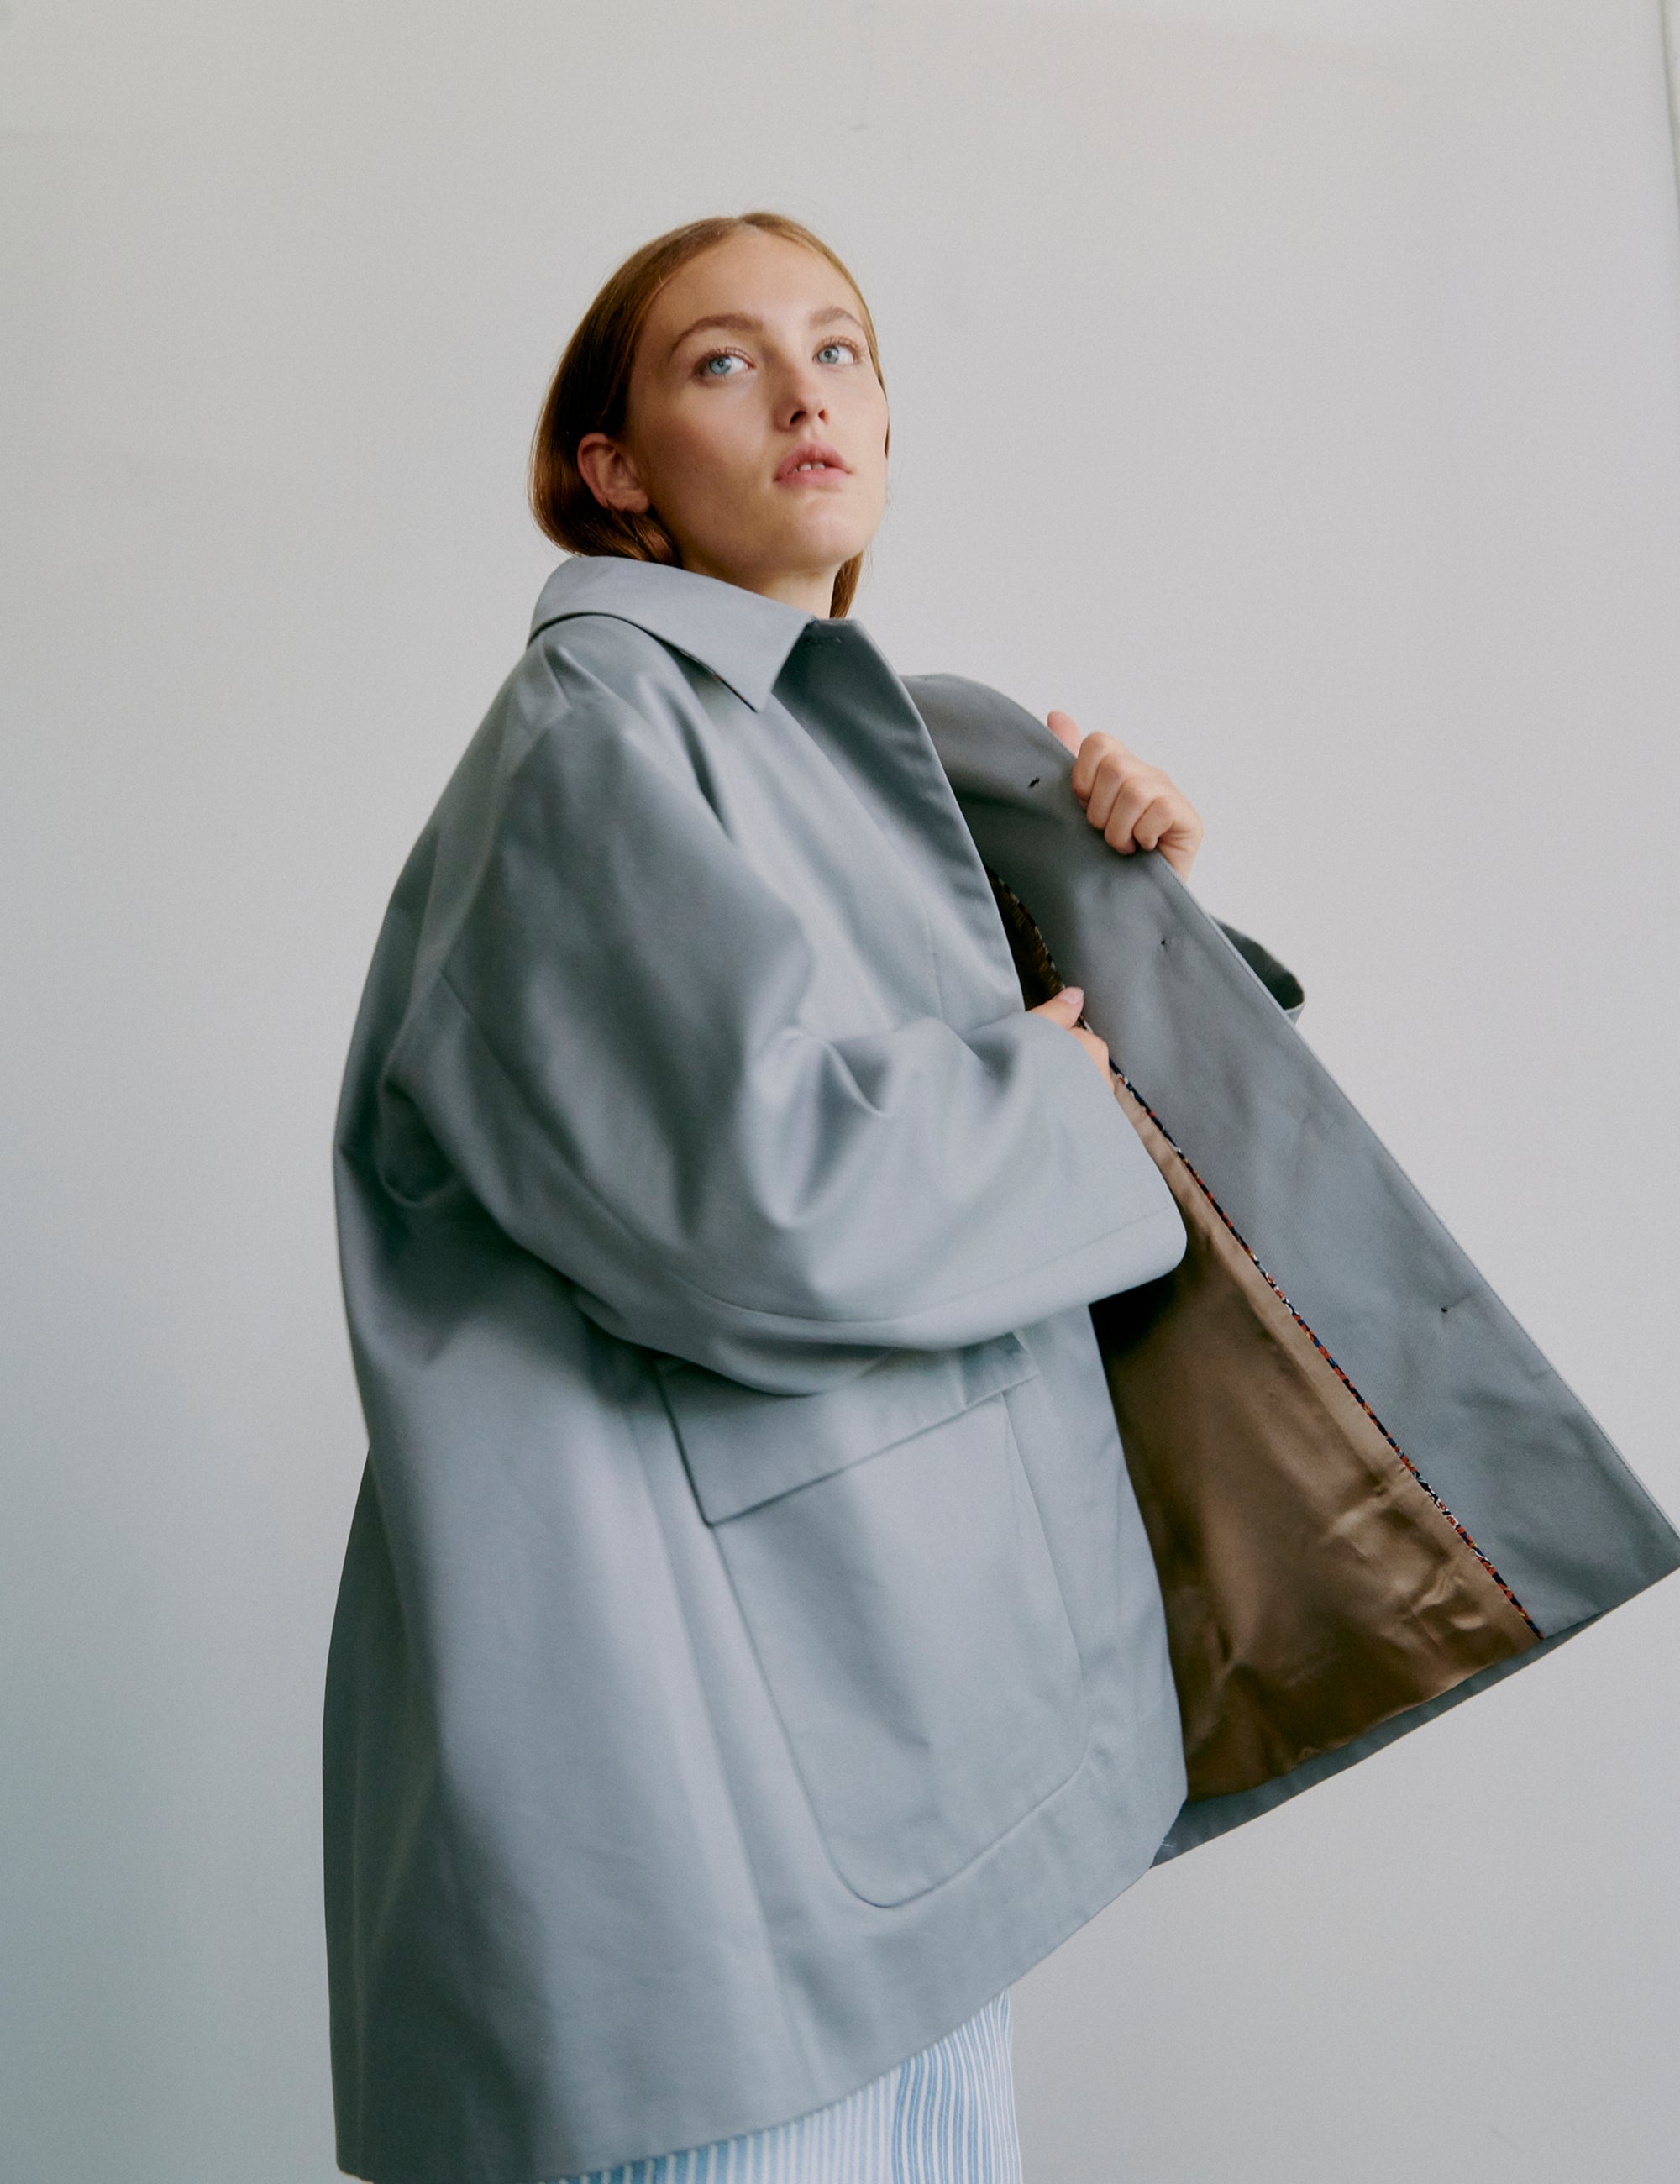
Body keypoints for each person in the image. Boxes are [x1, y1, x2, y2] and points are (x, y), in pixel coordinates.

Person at [323, 210, 1230, 2184]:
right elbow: (763, 1203)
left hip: (864, 1765)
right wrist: (1055, 1104)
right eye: (722, 361)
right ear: (614, 470)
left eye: (839, 349)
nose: (805, 392)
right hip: (714, 1806)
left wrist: (1127, 896)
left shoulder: (829, 746)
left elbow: (1012, 1095)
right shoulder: (597, 739)